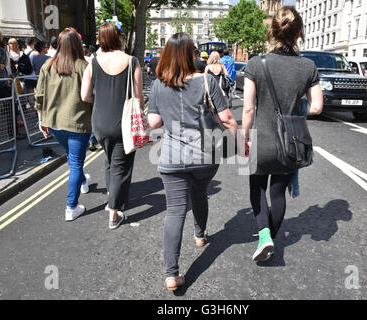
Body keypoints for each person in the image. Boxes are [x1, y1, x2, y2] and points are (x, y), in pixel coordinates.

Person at [147, 32, 239, 291]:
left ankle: (171, 275)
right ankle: (200, 236)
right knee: (200, 193)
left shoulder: (157, 85)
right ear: (192, 55)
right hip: (205, 156)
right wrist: (242, 143)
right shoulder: (208, 81)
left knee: (175, 211)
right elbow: (228, 119)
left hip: (172, 159)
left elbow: (153, 123)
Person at [242, 6, 323, 262]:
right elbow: (317, 107)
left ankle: (264, 236)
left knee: (257, 190)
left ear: (272, 31)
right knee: (277, 193)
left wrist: (244, 137)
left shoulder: (256, 63)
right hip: (289, 143)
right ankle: (270, 237)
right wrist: (296, 108)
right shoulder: (308, 67)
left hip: (261, 141)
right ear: (298, 32)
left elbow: (248, 108)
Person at [81, 21, 144, 230]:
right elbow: (138, 96)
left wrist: (101, 101)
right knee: (121, 166)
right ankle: (114, 213)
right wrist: (141, 116)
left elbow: (85, 95)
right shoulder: (132, 61)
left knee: (109, 160)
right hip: (122, 123)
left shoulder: (93, 62)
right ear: (119, 37)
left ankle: (112, 193)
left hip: (99, 122)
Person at [35, 28, 92, 221]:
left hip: (54, 123)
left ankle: (83, 182)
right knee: (76, 163)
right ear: (77, 45)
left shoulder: (48, 65)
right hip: (77, 122)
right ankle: (71, 207)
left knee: (73, 158)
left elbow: (39, 95)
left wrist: (41, 119)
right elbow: (93, 96)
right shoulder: (84, 67)